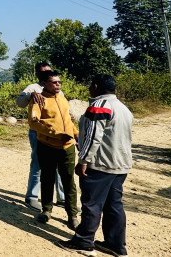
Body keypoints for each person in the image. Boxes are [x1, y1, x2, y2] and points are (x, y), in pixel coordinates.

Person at [57, 74, 133, 257]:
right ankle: (115, 245)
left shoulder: (99, 106)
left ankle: (83, 242)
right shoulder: (123, 108)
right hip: (120, 165)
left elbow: (93, 137)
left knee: (91, 204)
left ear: (97, 86)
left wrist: (83, 160)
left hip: (100, 164)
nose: (89, 88)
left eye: (91, 84)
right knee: (114, 205)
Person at [28, 70, 80, 229]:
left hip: (67, 147)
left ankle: (72, 215)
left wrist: (77, 135)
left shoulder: (62, 99)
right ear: (44, 84)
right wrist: (55, 134)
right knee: (47, 178)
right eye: (54, 82)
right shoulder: (38, 100)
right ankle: (46, 210)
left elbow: (68, 121)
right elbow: (34, 123)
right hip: (47, 146)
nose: (58, 85)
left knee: (69, 181)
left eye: (59, 82)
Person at [17, 61, 66, 212]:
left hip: (56, 133)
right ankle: (31, 196)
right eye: (43, 72)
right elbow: (20, 103)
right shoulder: (33, 88)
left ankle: (62, 198)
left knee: (58, 164)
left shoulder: (57, 89)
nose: (46, 74)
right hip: (38, 132)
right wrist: (31, 95)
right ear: (38, 74)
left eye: (48, 71)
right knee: (38, 163)